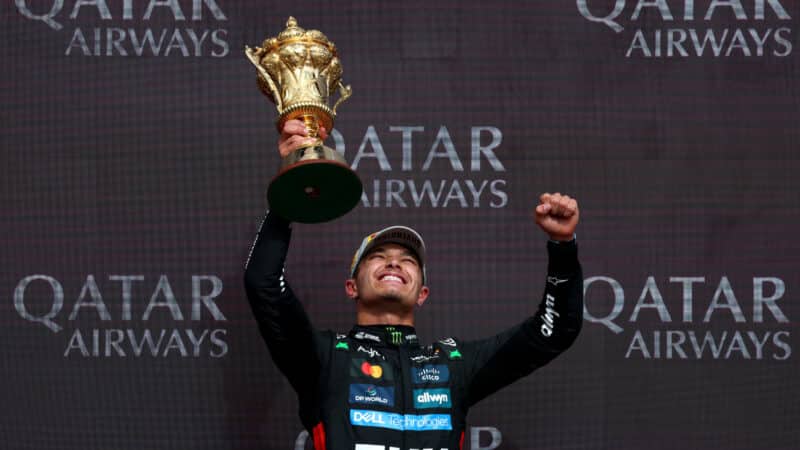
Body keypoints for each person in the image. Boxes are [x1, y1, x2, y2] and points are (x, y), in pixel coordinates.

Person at [244, 120, 583, 450]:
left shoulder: (452, 364)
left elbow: (552, 332)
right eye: (377, 256)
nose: (393, 262)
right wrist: (292, 184)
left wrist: (563, 248)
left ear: (422, 294)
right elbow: (264, 283)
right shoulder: (326, 359)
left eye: (407, 260)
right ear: (352, 287)